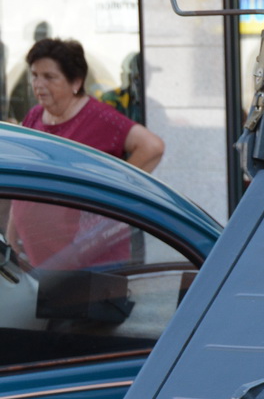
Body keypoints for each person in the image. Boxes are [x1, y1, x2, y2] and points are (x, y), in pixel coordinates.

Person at [10, 38, 163, 271]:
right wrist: (12, 233)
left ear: (76, 82)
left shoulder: (99, 117)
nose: (38, 84)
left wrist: (112, 193)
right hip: (42, 258)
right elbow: (24, 181)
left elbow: (152, 147)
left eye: (49, 77)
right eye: (34, 75)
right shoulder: (34, 117)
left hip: (93, 262)